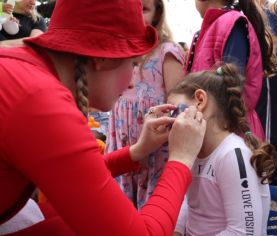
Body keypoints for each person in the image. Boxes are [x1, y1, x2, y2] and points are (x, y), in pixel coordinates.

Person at [0, 0, 207, 235]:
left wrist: (136, 152)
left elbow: (78, 178)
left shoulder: (29, 78)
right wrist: (181, 159)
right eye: (133, 63)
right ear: (103, 58)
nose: (131, 80)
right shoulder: (40, 101)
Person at [169, 64, 276, 236]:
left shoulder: (232, 155)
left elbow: (245, 232)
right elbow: (188, 203)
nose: (171, 122)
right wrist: (177, 231)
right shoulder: (193, 149)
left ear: (200, 100)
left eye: (174, 112)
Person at [106, 0, 185, 210]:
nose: (135, 14)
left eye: (143, 9)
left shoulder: (167, 52)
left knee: (151, 209)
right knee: (120, 209)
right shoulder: (118, 51)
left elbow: (179, 104)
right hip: (121, 142)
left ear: (157, 13)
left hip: (155, 152)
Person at [185, 0, 277, 141]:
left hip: (230, 133)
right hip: (214, 131)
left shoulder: (232, 23)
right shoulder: (212, 28)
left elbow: (232, 87)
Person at [255, 0, 277, 187]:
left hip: (269, 73)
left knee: (268, 126)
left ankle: (270, 176)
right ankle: (269, 175)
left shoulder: (269, 13)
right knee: (264, 123)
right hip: (266, 73)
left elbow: (272, 46)